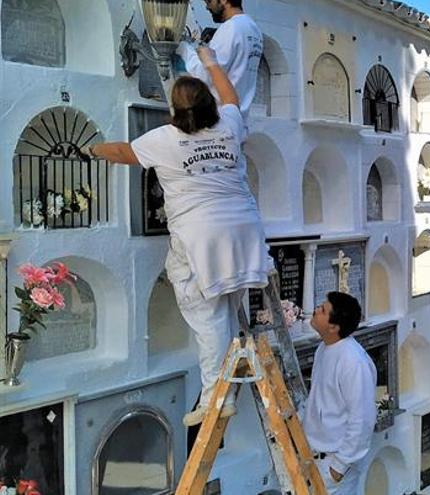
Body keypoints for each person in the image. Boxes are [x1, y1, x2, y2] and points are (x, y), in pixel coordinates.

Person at [86, 47, 271, 426]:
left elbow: (123, 152)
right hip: (244, 229)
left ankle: (215, 398)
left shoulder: (165, 139)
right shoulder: (229, 126)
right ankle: (226, 387)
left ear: (176, 113)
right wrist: (211, 61)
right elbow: (232, 97)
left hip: (202, 237)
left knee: (204, 313)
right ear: (209, 107)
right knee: (224, 307)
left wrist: (93, 149)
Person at [303, 292, 377, 495]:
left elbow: (362, 419)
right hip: (315, 459)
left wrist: (338, 467)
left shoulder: (353, 362)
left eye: (323, 310)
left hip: (335, 465)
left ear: (334, 327)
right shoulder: (324, 348)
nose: (316, 310)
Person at [179, 0, 263, 121]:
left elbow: (206, 75)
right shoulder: (253, 29)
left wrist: (184, 49)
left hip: (220, 119)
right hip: (239, 119)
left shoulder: (230, 28)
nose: (207, 7)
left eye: (209, 1)